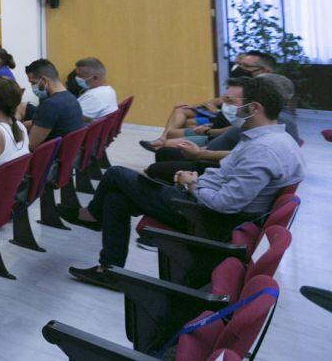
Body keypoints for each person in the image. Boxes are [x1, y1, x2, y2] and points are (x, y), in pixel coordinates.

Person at [66, 75, 305, 291]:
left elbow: (225, 204)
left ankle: (93, 217)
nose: (230, 108)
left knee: (116, 174)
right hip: (205, 202)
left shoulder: (263, 150)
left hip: (208, 218)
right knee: (116, 199)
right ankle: (109, 271)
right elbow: (227, 177)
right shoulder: (271, 138)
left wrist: (193, 185)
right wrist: (196, 180)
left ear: (254, 108)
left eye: (236, 104)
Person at [144, 73, 301, 182]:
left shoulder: (269, 120)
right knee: (165, 153)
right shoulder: (265, 116)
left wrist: (201, 154)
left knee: (153, 170)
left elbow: (243, 158)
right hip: (213, 159)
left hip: (217, 168)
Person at [140, 51, 277, 150]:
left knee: (175, 135)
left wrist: (208, 130)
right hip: (218, 121)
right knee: (181, 111)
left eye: (245, 66)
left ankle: (165, 146)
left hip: (219, 127)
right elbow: (224, 100)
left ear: (265, 70)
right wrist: (196, 106)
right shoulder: (244, 84)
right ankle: (162, 142)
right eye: (239, 65)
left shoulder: (263, 93)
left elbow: (238, 126)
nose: (240, 69)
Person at [21, 59, 85, 148]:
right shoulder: (71, 98)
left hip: (49, 158)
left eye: (33, 82)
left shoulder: (50, 105)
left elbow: (31, 145)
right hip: (67, 156)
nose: (32, 87)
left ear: (43, 80)